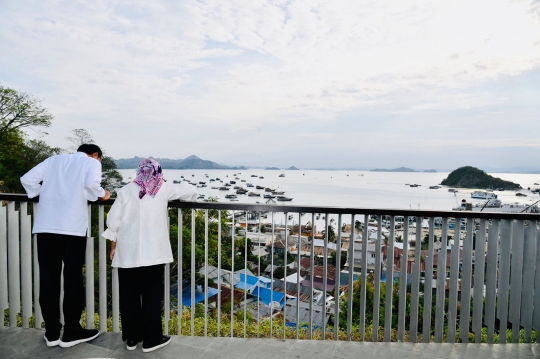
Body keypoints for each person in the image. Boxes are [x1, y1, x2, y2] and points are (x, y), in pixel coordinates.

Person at [20, 144, 111, 348]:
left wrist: (41, 195)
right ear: (96, 154)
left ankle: (52, 332)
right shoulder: (92, 163)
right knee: (72, 279)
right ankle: (71, 331)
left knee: (48, 278)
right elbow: (90, 186)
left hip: (45, 227)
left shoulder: (53, 160)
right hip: (72, 229)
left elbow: (27, 180)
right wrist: (102, 194)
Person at [102, 158, 196, 353]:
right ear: (157, 171)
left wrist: (114, 246)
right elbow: (191, 192)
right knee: (151, 296)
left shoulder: (125, 190)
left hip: (127, 251)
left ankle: (131, 338)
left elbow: (113, 222)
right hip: (153, 253)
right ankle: (151, 339)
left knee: (129, 296)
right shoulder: (163, 187)